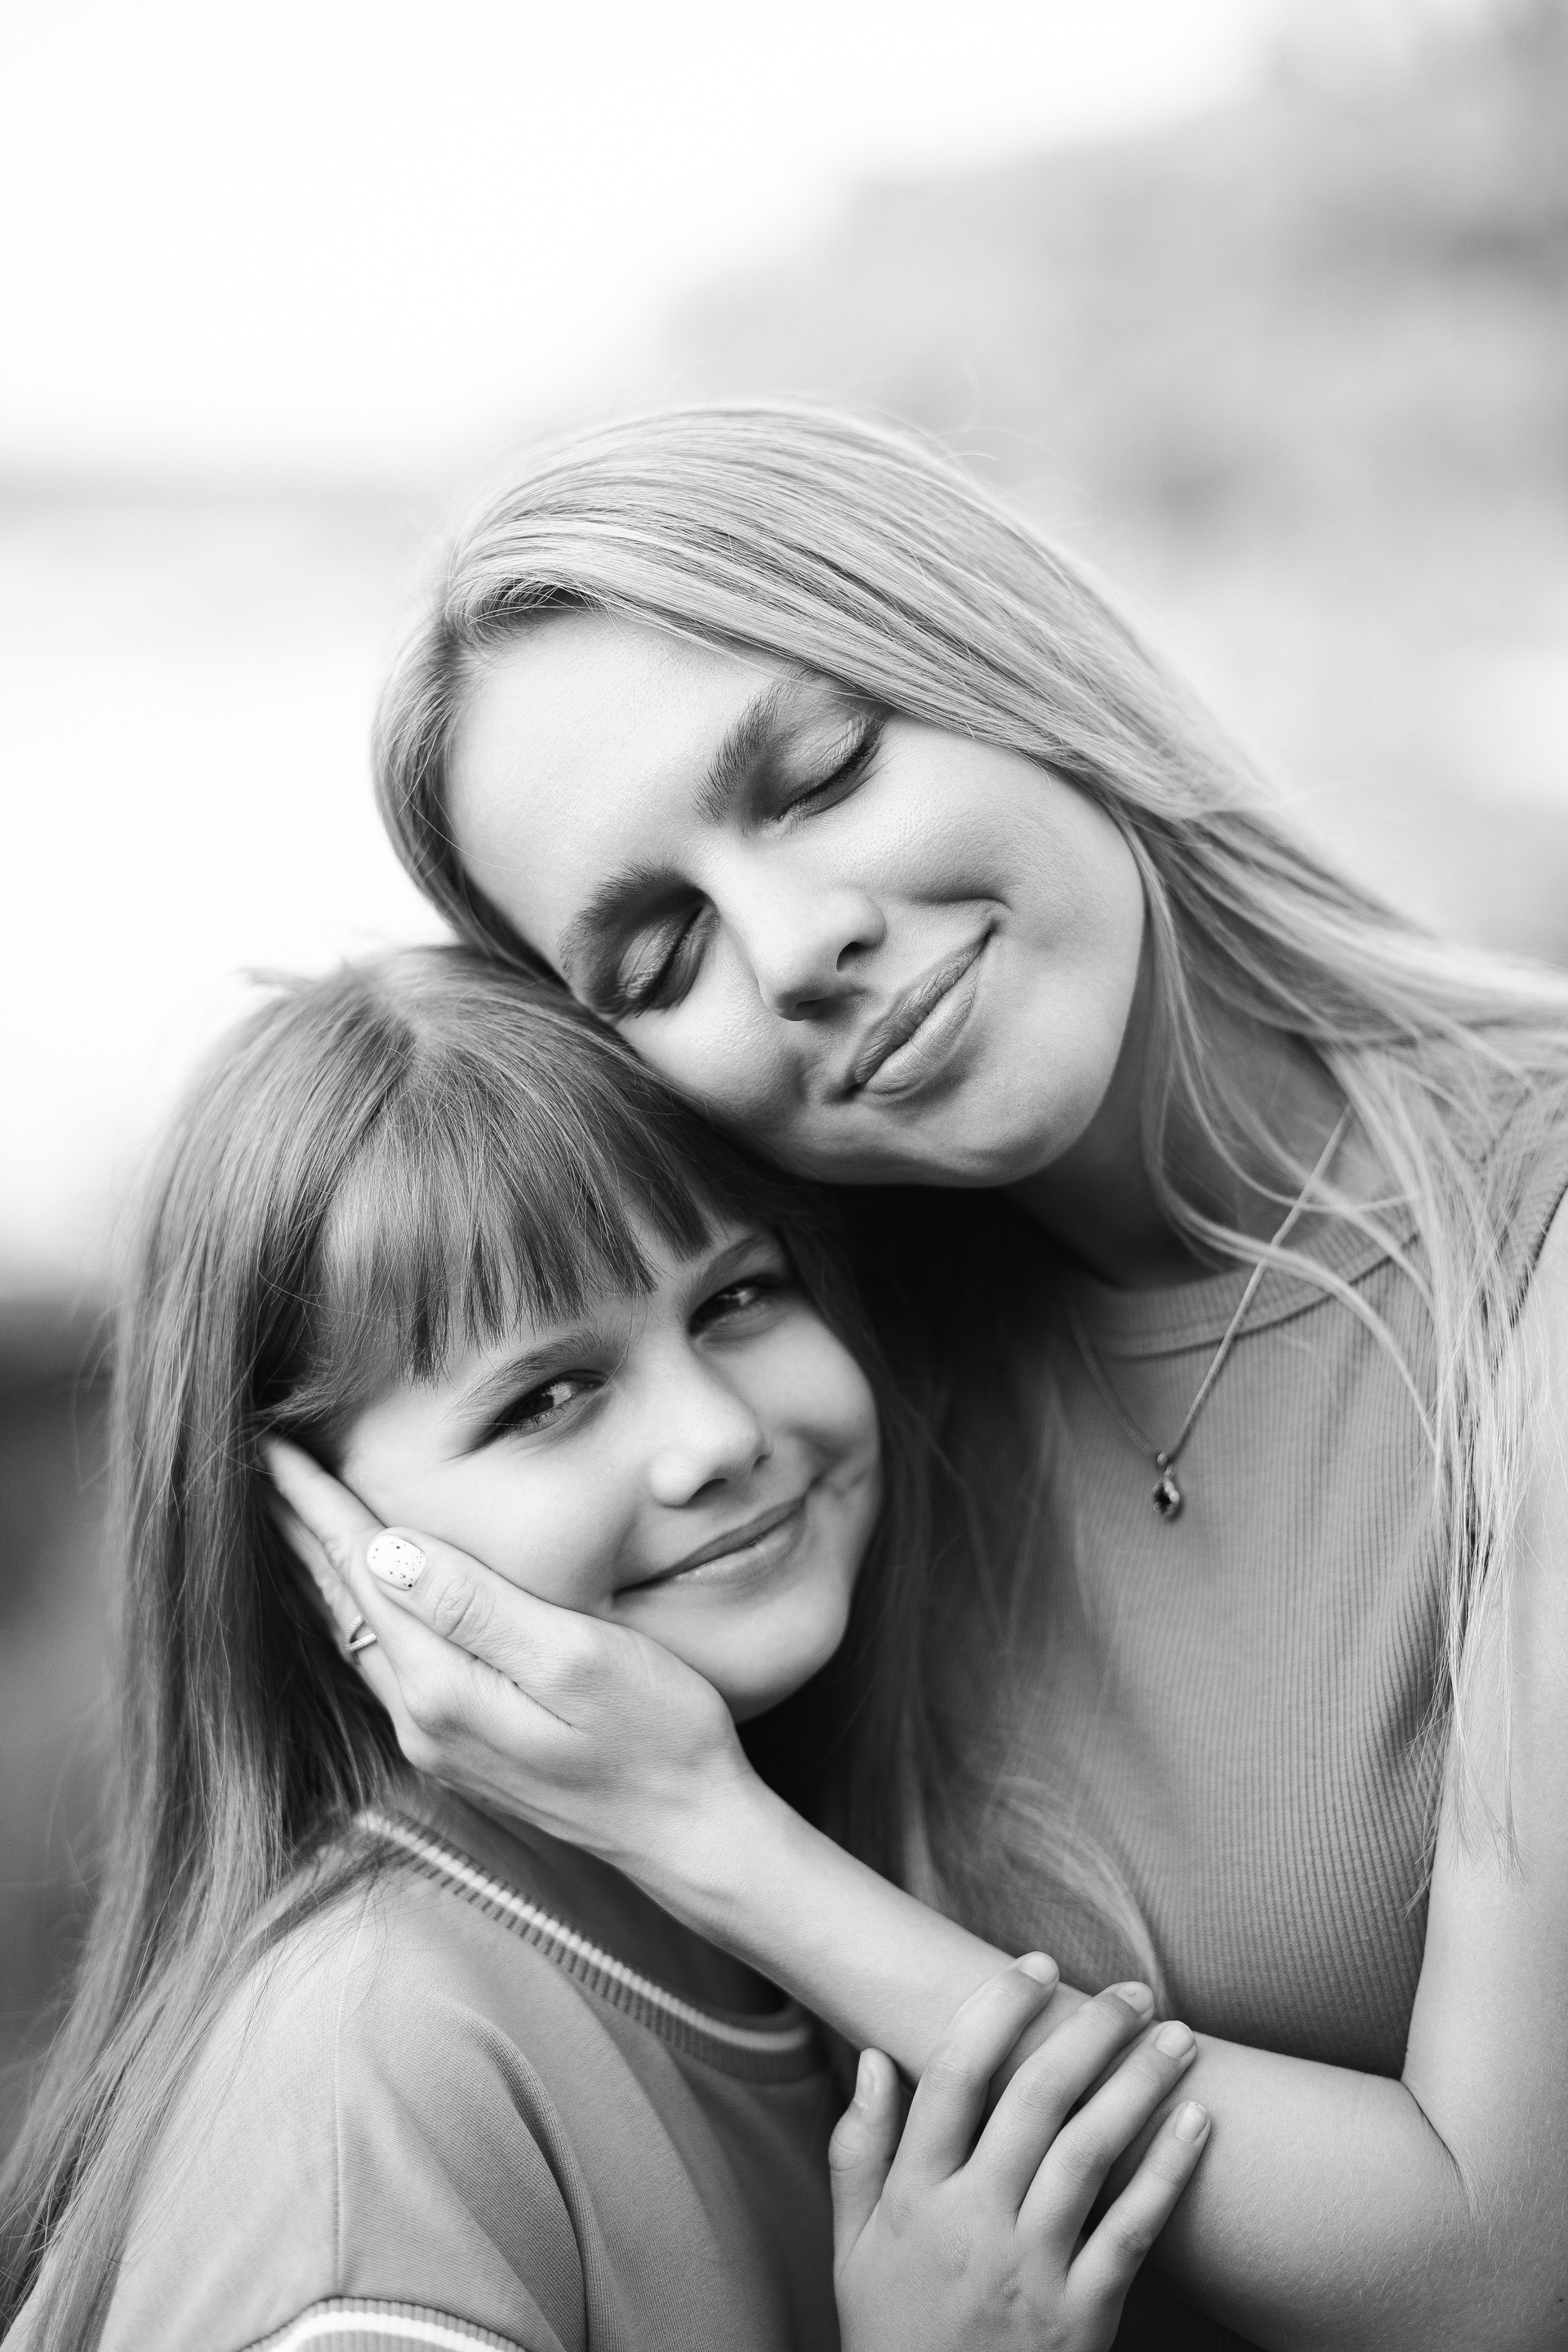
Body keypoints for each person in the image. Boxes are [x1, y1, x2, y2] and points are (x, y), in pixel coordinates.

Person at [276, 405, 1568, 2351]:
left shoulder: (1530, 1251)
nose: (797, 947)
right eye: (659, 959)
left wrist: (709, 1836)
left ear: (1003, 652)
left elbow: (1497, 2266)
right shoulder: (813, 1383)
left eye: (819, 776)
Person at [0, 949, 1210, 2352]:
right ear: (306, 1531)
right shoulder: (371, 2072)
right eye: (547, 1397)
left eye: (737, 1299)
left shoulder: (772, 1902)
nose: (718, 1439)